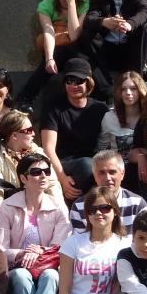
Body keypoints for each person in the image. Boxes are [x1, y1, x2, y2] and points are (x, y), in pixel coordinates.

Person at [0, 153, 71, 294]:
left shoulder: (58, 206)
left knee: (51, 276)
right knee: (21, 274)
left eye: (46, 171)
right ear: (23, 178)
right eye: (36, 172)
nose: (43, 176)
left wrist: (39, 252)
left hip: (48, 266)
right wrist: (23, 253)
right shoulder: (7, 206)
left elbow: (62, 245)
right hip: (16, 268)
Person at [16, 0, 89, 109]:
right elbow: (48, 31)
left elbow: (74, 35)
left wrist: (71, 3)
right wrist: (49, 58)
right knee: (55, 56)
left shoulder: (84, 5)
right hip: (57, 45)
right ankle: (25, 98)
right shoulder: (47, 4)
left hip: (78, 48)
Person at [78, 0, 147, 92]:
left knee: (144, 27)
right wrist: (104, 22)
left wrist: (130, 24)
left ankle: (136, 80)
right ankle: (107, 87)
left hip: (130, 50)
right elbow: (89, 18)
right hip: (107, 51)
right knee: (88, 32)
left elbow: (146, 12)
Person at [40, 57, 108, 201]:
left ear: (88, 82)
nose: (73, 85)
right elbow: (48, 147)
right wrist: (62, 179)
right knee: (86, 165)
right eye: (69, 81)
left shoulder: (100, 109)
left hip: (94, 161)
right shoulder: (54, 108)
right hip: (63, 163)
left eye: (79, 81)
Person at [0, 110, 64, 213]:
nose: (34, 133)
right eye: (29, 130)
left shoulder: (40, 153)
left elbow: (52, 185)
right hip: (11, 213)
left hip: (41, 212)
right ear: (14, 136)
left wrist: (60, 211)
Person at [69, 149, 147, 232]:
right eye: (102, 173)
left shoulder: (137, 204)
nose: (107, 178)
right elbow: (77, 243)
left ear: (122, 174)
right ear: (94, 176)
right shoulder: (79, 207)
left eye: (112, 172)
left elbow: (145, 239)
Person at [97, 71, 146, 160]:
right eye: (123, 89)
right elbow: (101, 149)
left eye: (133, 88)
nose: (128, 92)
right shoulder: (109, 117)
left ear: (140, 90)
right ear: (118, 92)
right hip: (119, 168)